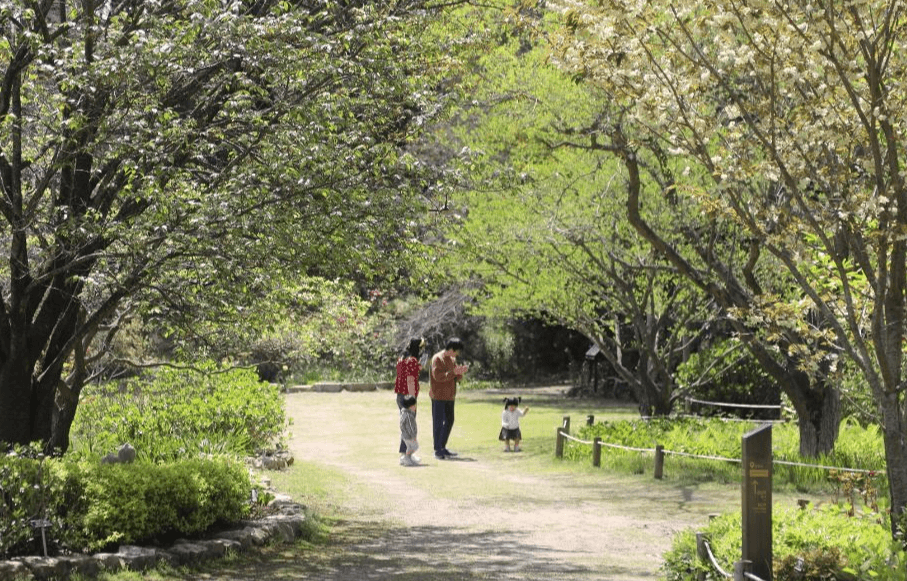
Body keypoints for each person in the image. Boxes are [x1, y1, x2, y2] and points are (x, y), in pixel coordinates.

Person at [429, 337, 468, 460]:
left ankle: (442, 446)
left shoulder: (452, 359)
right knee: (438, 422)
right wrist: (454, 372)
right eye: (457, 351)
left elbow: (456, 377)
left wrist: (460, 372)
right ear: (451, 349)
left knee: (449, 421)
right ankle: (437, 450)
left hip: (450, 396)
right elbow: (438, 376)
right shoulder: (437, 358)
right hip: (438, 395)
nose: (458, 354)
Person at [395, 337, 425, 464]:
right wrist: (412, 399)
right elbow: (410, 379)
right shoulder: (412, 361)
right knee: (409, 426)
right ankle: (406, 456)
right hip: (408, 396)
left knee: (406, 425)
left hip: (400, 395)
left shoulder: (403, 359)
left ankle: (406, 454)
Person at [399, 395, 420, 466]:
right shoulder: (408, 416)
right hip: (409, 436)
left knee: (410, 447)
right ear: (410, 406)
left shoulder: (404, 413)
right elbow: (410, 427)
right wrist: (413, 435)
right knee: (415, 446)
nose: (415, 407)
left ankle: (407, 457)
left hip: (405, 436)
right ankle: (406, 457)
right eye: (414, 405)